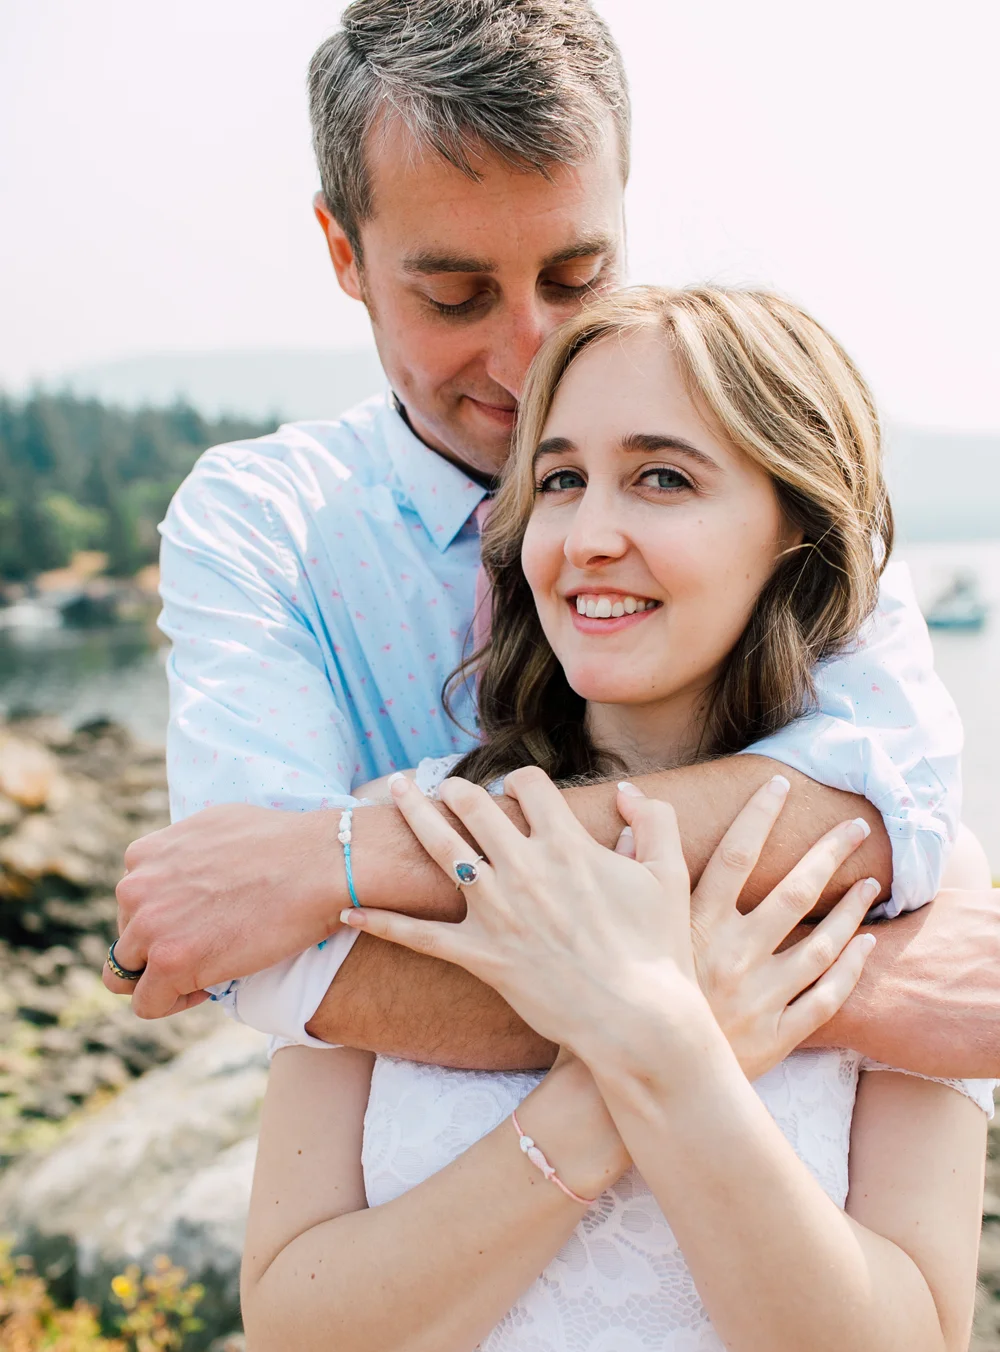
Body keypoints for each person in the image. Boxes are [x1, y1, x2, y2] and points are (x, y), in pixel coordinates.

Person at [103, 0, 1000, 1074]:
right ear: (343, 250)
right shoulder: (262, 523)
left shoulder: (772, 460)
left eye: (577, 280)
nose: (529, 356)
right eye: (454, 295)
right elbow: (281, 956)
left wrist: (342, 857)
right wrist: (804, 988)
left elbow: (874, 810)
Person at [241, 286, 994, 1352]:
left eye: (661, 479)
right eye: (557, 479)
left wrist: (679, 1070)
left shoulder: (902, 876)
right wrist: (622, 1075)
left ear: (793, 532)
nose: (587, 533)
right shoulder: (416, 835)